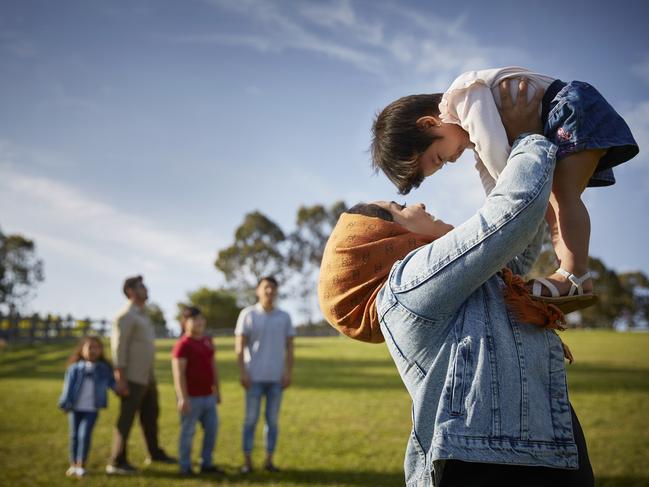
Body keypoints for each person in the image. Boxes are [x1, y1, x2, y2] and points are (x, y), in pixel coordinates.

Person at [320, 88, 593, 486]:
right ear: (388, 239)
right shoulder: (405, 287)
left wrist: (493, 154)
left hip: (543, 445)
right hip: (483, 464)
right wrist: (526, 136)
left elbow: (514, 239)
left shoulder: (448, 283)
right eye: (398, 210)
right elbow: (510, 216)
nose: (416, 206)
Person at [371, 67, 639, 312]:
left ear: (428, 124)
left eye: (439, 158)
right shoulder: (474, 142)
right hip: (555, 124)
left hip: (567, 108)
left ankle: (574, 273)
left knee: (562, 197)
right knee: (554, 203)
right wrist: (506, 209)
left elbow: (497, 156)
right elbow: (496, 188)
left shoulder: (464, 95)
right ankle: (569, 274)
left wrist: (519, 191)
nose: (451, 161)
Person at [106, 275, 175, 474]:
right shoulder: (125, 316)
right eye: (141, 287)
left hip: (147, 377)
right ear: (131, 291)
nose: (146, 290)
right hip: (132, 378)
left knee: (151, 416)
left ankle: (154, 453)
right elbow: (118, 348)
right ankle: (117, 461)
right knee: (126, 419)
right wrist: (121, 378)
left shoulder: (143, 315)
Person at [235, 276, 295, 474]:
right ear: (258, 290)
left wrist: (287, 373)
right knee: (250, 420)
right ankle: (247, 462)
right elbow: (239, 346)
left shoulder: (284, 317)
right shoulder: (248, 314)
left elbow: (290, 348)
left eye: (273, 288)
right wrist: (243, 373)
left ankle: (269, 461)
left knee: (272, 421)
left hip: (276, 380)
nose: (270, 291)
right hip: (253, 378)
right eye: (266, 287)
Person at [171, 306, 224, 476]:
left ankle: (206, 463)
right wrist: (182, 397)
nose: (199, 322)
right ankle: (185, 467)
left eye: (201, 318)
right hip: (191, 398)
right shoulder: (182, 345)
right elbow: (178, 373)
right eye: (195, 319)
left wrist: (217, 389)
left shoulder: (208, 341)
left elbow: (213, 366)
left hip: (208, 396)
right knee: (188, 432)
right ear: (185, 323)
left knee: (212, 430)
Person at [58, 336, 115, 478]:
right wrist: (64, 403)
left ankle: (81, 464)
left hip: (91, 409)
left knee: (84, 435)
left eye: (96, 347)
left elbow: (112, 383)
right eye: (89, 347)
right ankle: (73, 464)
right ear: (82, 350)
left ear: (101, 350)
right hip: (75, 409)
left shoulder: (104, 369)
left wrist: (120, 388)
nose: (92, 351)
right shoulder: (74, 369)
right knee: (74, 436)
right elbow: (67, 388)